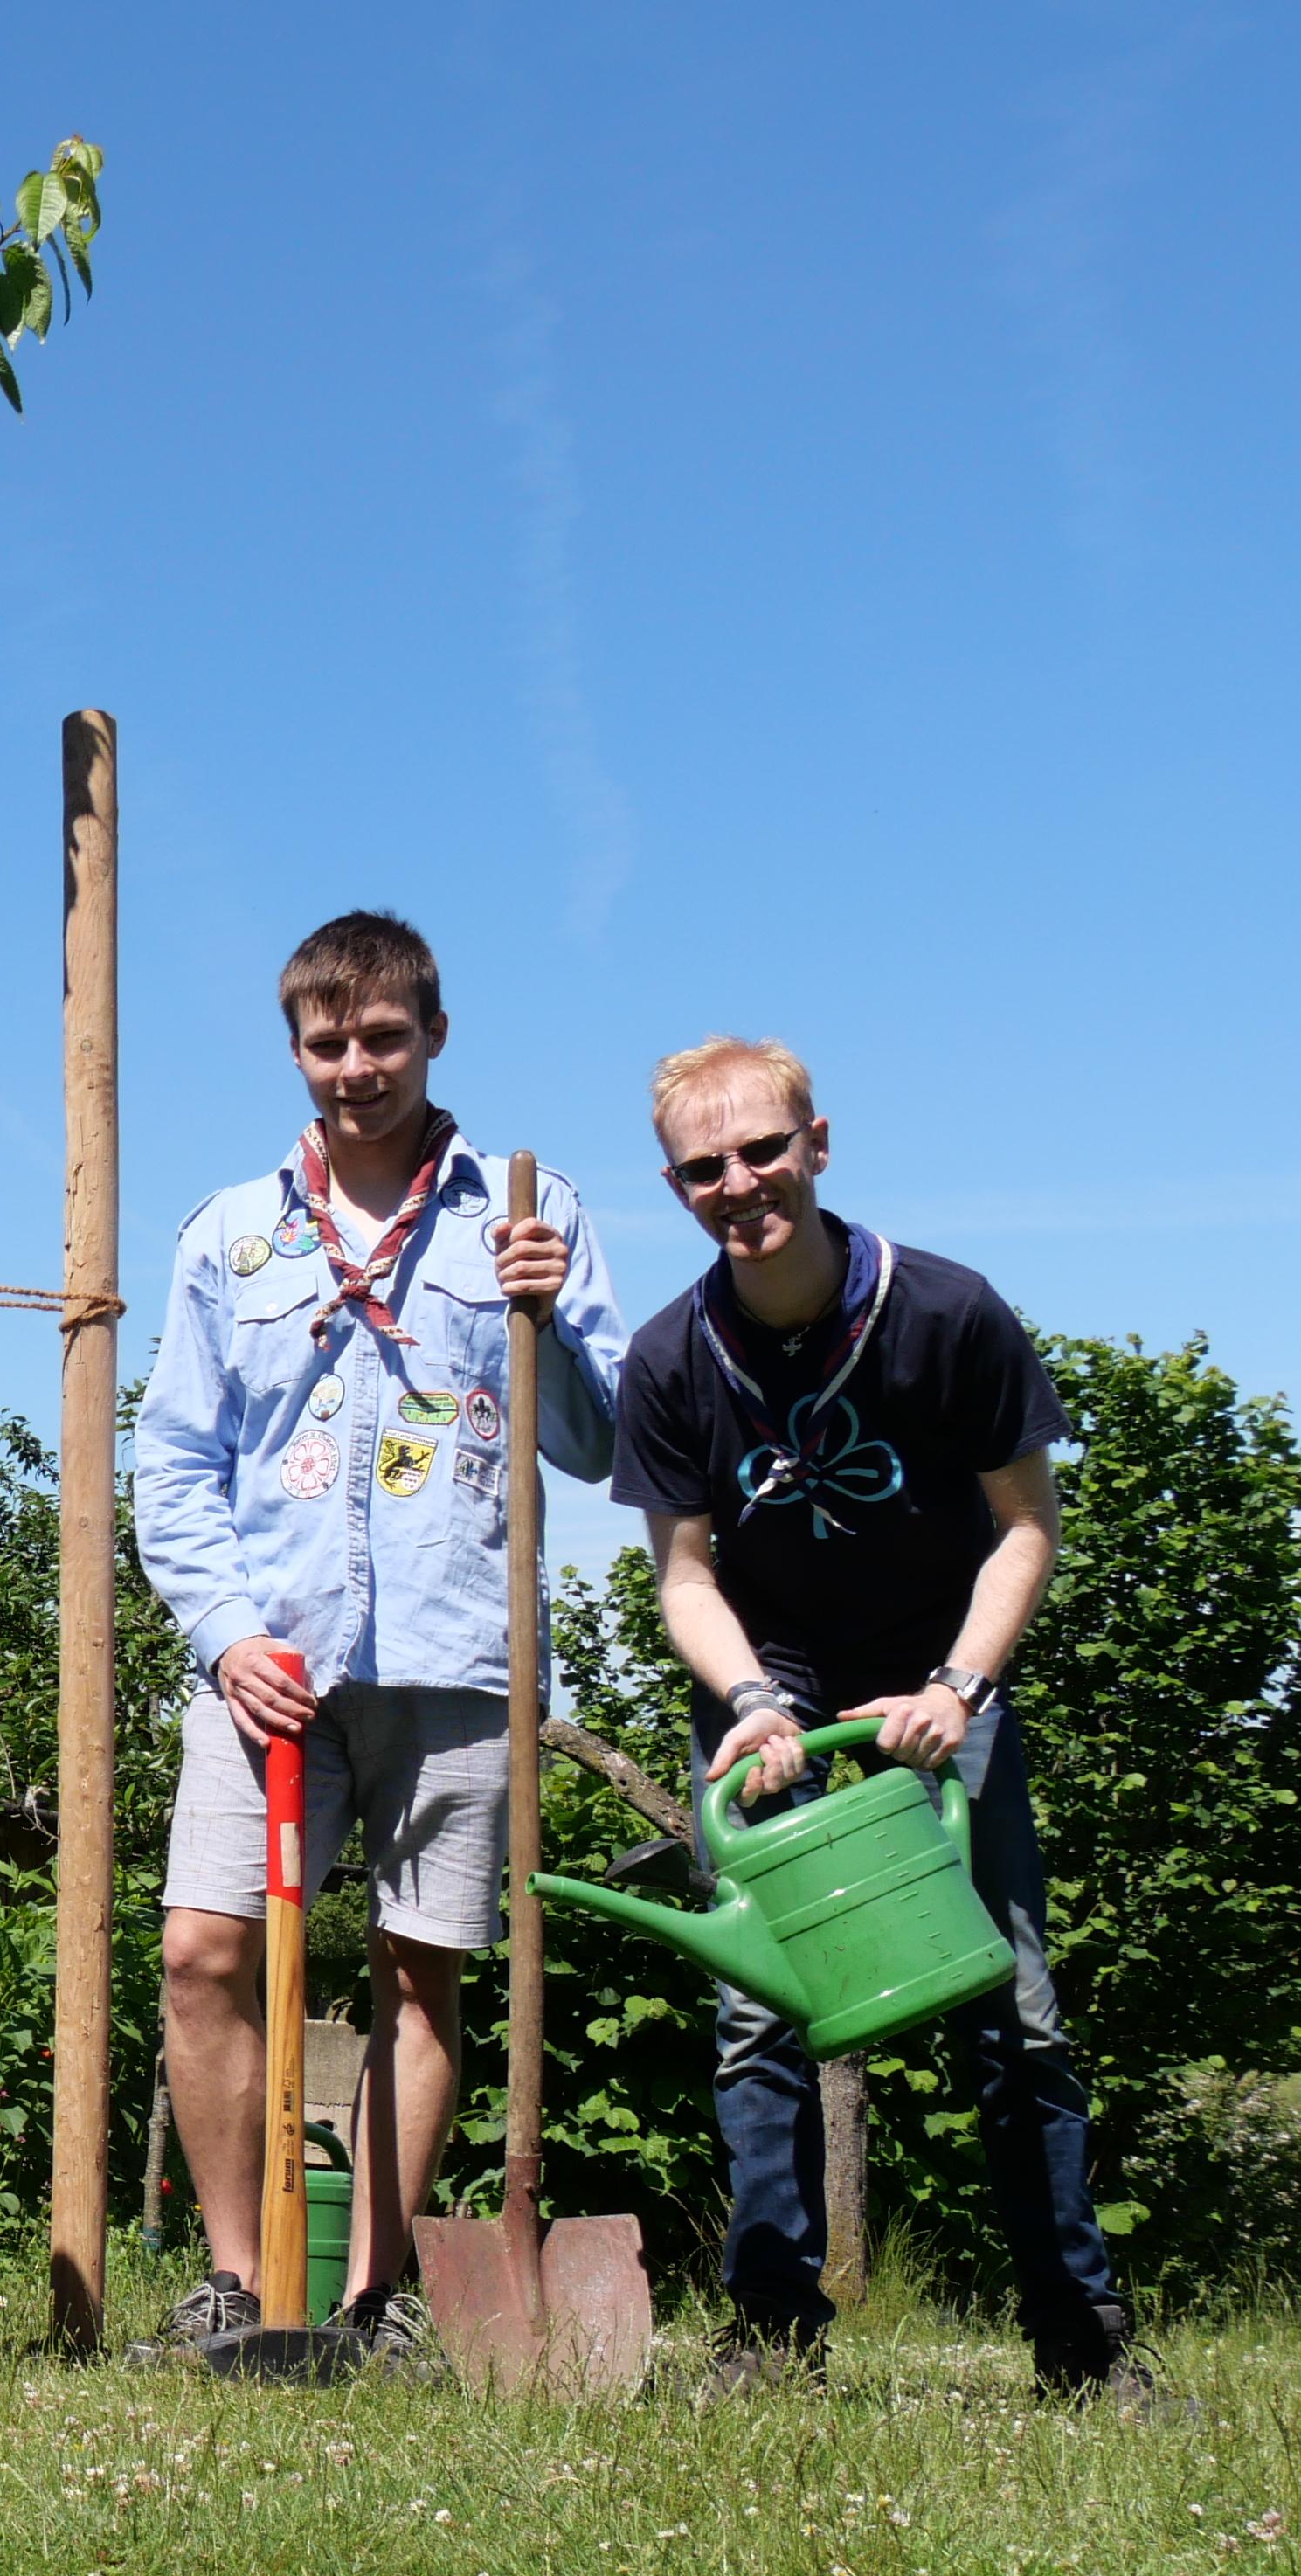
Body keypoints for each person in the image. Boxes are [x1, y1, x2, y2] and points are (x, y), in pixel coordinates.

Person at [609, 1035, 1142, 2399]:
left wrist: (959, 1689)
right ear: (676, 1188)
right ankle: (772, 2335)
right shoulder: (669, 1358)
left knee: (1012, 2008)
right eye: (706, 1168)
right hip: (766, 1697)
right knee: (759, 2015)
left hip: (941, 1681)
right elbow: (684, 1576)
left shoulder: (948, 1313)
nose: (741, 1185)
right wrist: (752, 1700)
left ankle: (1083, 2345)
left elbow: (1027, 1526)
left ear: (819, 1145)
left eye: (763, 1151)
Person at [131, 910, 625, 2362]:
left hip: (454, 1659)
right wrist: (221, 1630)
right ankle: (236, 2283)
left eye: (383, 1037)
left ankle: (371, 2299)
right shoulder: (230, 1233)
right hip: (268, 1662)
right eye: (326, 1041)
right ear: (295, 1048)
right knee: (200, 1953)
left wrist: (553, 1319)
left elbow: (598, 1443)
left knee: (420, 1971)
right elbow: (172, 1457)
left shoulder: (526, 1211)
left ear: (434, 1035)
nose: (355, 1067)